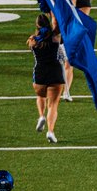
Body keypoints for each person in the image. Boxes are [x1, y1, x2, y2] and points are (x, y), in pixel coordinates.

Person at [28, 13, 64, 144]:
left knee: (40, 96)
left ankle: (41, 116)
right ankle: (50, 131)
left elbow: (37, 42)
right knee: (53, 105)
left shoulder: (32, 40)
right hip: (55, 73)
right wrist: (54, 12)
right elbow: (59, 25)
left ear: (37, 25)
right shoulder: (55, 37)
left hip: (40, 73)